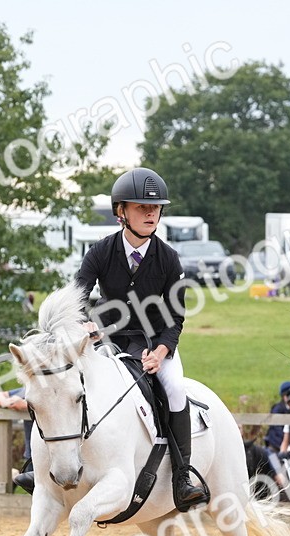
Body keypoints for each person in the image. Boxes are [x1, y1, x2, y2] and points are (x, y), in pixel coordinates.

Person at [74, 167, 205, 511]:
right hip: (109, 341)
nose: (150, 213)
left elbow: (176, 317)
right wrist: (87, 324)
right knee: (64, 382)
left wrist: (162, 352)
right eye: (141, 207)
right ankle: (37, 467)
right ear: (121, 212)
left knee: (175, 388)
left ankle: (182, 476)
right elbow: (78, 298)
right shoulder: (100, 252)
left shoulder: (168, 258)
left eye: (156, 208)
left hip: (153, 342)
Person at [264, 381, 290, 452]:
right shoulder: (277, 408)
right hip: (276, 441)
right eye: (287, 395)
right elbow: (277, 427)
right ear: (283, 396)